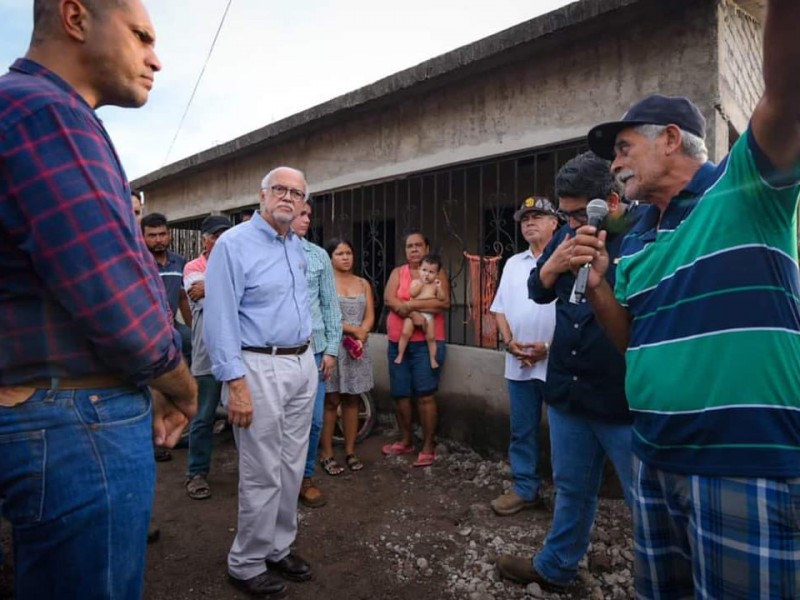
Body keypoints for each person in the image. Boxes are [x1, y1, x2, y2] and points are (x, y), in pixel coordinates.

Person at [569, 6, 800, 595]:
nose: (613, 166)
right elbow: (634, 341)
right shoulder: (639, 237)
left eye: (622, 149)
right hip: (654, 458)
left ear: (671, 139)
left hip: (740, 466)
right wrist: (597, 287)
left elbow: (787, 92)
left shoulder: (743, 189)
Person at [0, 1, 197, 598]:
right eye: (140, 36)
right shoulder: (46, 112)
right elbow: (114, 292)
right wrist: (181, 388)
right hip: (76, 418)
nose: (155, 58)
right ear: (76, 18)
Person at [496, 153, 639, 591]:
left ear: (612, 202)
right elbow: (539, 291)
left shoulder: (639, 240)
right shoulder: (567, 240)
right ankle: (556, 566)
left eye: (581, 213)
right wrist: (554, 265)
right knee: (572, 489)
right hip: (568, 391)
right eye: (566, 213)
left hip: (622, 399)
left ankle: (666, 582)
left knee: (647, 501)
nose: (572, 223)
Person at [204, 166, 317, 598]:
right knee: (261, 469)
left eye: (297, 192)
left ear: (304, 202)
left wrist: (312, 356)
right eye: (280, 190)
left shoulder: (297, 246)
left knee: (291, 464)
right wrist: (235, 383)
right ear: (262, 194)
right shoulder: (233, 245)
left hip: (300, 363)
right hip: (258, 366)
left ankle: (277, 547)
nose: (288, 198)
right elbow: (219, 321)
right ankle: (247, 561)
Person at [488, 197, 558, 517]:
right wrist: (510, 342)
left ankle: (569, 496)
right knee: (522, 429)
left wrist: (549, 347)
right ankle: (525, 488)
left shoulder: (563, 257)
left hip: (557, 362)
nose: (529, 222)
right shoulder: (514, 263)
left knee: (565, 432)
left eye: (537, 216)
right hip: (518, 360)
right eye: (524, 218)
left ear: (554, 222)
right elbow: (499, 307)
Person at [383, 231, 450, 468]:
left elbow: (443, 303)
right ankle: (406, 439)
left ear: (426, 247)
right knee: (400, 393)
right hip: (397, 340)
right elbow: (390, 300)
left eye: (418, 245)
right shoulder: (397, 273)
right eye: (409, 246)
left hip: (426, 343)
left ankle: (429, 445)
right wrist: (413, 313)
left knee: (425, 394)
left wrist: (410, 304)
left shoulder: (435, 271)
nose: (413, 250)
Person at [292, 201, 342, 508]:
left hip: (315, 351)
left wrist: (332, 351)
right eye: (301, 213)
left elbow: (330, 307)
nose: (307, 219)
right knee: (279, 423)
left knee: (313, 422)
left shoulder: (318, 255)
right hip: (278, 354)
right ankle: (279, 480)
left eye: (309, 214)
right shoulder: (266, 254)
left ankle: (305, 477)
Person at [183, 214, 232, 500]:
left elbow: (243, 294)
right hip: (207, 353)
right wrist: (228, 288)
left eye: (225, 234)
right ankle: (196, 473)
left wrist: (216, 288)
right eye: (215, 235)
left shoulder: (238, 262)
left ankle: (251, 476)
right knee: (203, 416)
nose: (220, 240)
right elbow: (199, 295)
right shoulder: (194, 266)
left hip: (239, 351)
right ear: (204, 238)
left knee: (244, 413)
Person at [318, 238, 375, 475]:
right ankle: (327, 453)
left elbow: (370, 314)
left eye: (349, 253)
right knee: (331, 401)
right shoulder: (324, 283)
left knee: (352, 398)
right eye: (339, 253)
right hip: (333, 347)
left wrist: (363, 332)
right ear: (330, 257)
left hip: (356, 349)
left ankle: (350, 451)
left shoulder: (363, 283)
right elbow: (322, 316)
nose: (345, 257)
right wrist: (353, 330)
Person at [141, 210, 193, 462]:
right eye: (152, 236)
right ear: (143, 237)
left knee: (193, 349)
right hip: (147, 333)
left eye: (162, 234)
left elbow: (183, 297)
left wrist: (193, 329)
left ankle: (187, 424)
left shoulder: (178, 262)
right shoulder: (139, 262)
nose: (158, 240)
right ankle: (153, 439)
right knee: (153, 386)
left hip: (172, 330)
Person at [394, 254, 446, 369]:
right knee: (405, 333)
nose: (427, 274)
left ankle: (432, 359)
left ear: (437, 274)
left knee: (431, 337)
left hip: (428, 315)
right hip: (413, 313)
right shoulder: (416, 282)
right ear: (419, 270)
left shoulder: (434, 285)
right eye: (424, 270)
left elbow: (442, 298)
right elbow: (412, 294)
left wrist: (439, 287)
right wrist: (421, 284)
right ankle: (400, 354)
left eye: (431, 272)